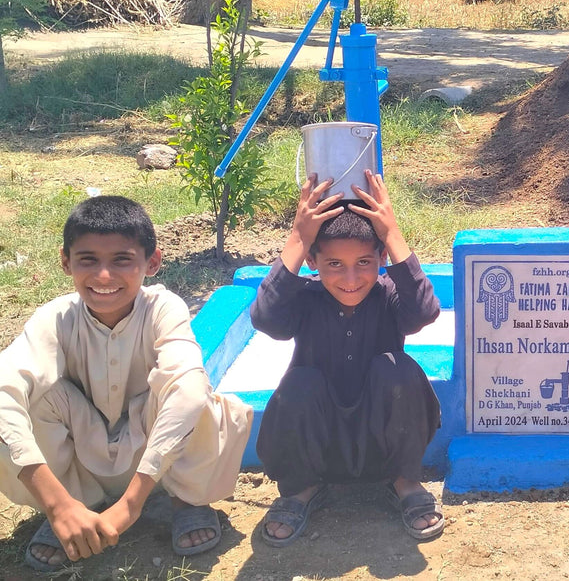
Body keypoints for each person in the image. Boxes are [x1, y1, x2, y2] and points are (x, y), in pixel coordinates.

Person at [0, 196, 252, 573]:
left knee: (192, 393)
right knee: (30, 399)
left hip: (153, 454)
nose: (104, 277)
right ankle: (73, 508)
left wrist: (130, 505)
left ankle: (183, 501)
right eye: (88, 260)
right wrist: (57, 505)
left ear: (151, 263)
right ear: (65, 261)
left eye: (121, 260)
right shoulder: (54, 319)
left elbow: (186, 388)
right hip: (83, 457)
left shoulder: (162, 310)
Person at [252, 170, 444, 546]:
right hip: (319, 445)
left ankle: (405, 482)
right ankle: (301, 489)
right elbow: (266, 318)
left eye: (364, 263)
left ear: (381, 258)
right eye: (334, 264)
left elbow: (424, 311)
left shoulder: (389, 295)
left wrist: (392, 232)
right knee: (300, 383)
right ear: (312, 261)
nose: (351, 278)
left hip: (382, 443)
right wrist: (298, 236)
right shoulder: (305, 299)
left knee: (398, 369)